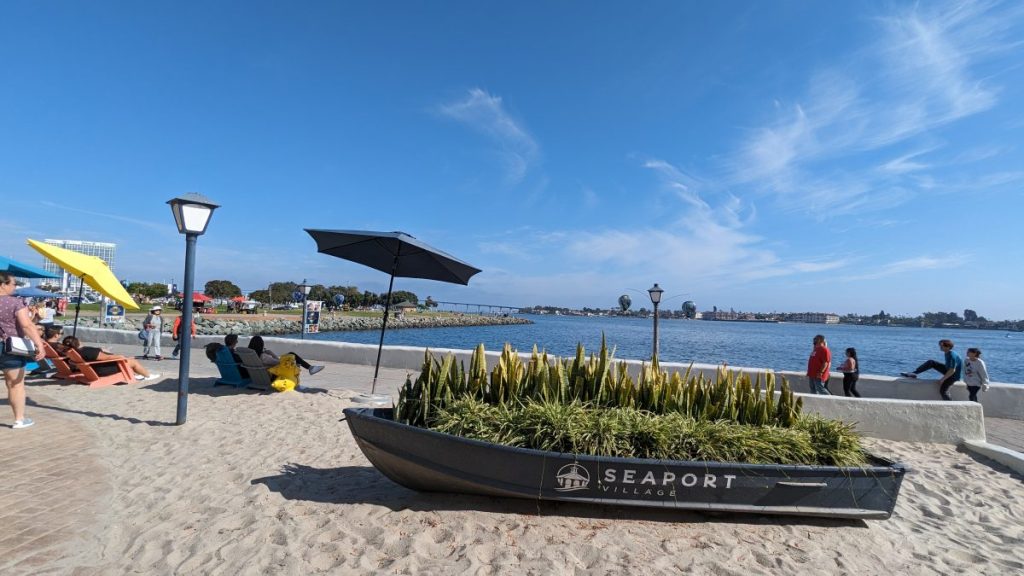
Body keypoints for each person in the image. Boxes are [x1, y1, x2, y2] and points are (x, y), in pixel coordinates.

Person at [1, 272, 46, 429]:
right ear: (3, 285)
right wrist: (39, 344)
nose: (15, 287)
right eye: (13, 284)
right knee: (15, 384)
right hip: (9, 347)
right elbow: (27, 325)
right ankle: (19, 419)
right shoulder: (15, 303)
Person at [64, 336, 160, 381]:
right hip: (101, 370)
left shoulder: (73, 352)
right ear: (78, 341)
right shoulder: (88, 351)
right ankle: (148, 376)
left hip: (93, 370)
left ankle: (137, 374)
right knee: (132, 361)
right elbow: (107, 357)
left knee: (126, 360)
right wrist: (122, 357)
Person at [247, 335, 324, 375]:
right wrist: (270, 353)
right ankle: (310, 368)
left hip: (259, 373)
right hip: (274, 372)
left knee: (291, 354)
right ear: (261, 345)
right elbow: (278, 362)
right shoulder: (263, 356)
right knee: (292, 355)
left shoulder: (250, 354)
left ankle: (310, 367)